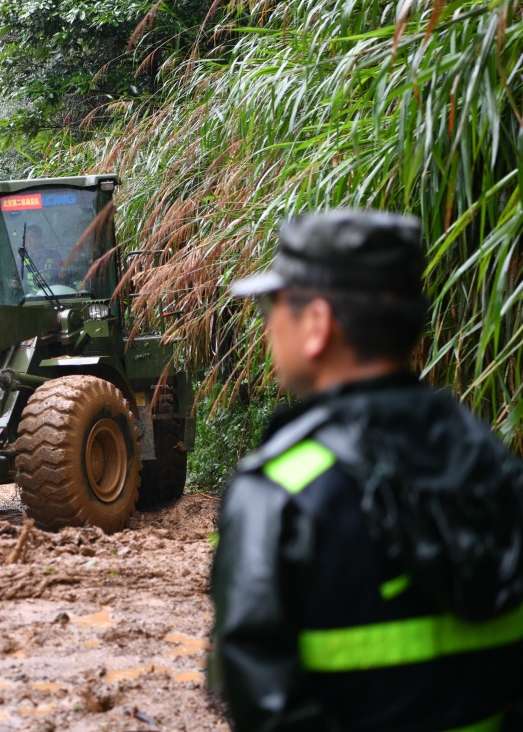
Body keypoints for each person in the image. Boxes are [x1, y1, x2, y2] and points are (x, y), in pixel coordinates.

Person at [211, 210, 523, 731]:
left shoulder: (277, 491)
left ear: (317, 325)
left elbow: (261, 704)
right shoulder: (494, 460)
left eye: (274, 304)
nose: (268, 323)